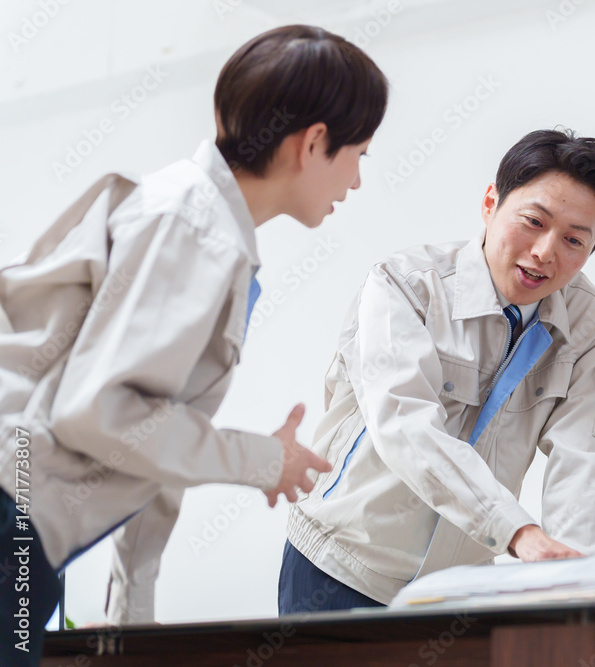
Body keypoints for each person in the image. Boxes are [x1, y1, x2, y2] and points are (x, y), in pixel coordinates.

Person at [0, 25, 387, 666]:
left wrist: (131, 621)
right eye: (360, 154)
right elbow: (97, 413)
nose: (357, 181)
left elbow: (144, 439)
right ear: (314, 142)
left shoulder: (203, 224)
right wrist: (262, 460)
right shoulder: (194, 226)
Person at [279, 128, 595, 613]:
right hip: (343, 564)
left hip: (459, 588)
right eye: (533, 221)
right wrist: (517, 531)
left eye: (573, 239)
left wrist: (586, 582)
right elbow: (405, 424)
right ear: (490, 203)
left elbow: (586, 458)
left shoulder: (590, 325)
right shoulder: (405, 286)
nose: (545, 252)